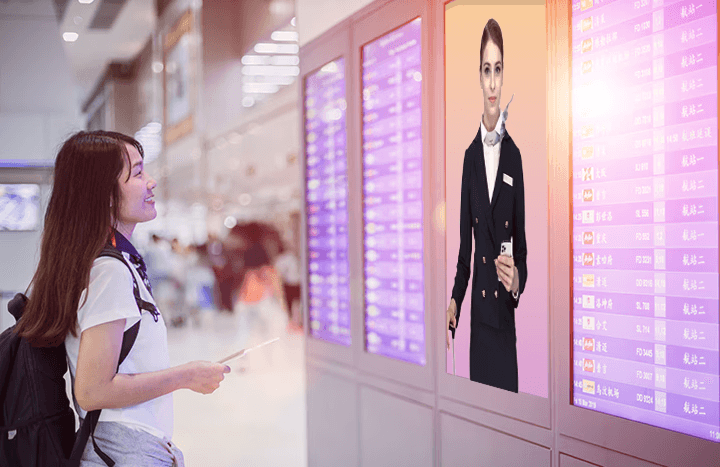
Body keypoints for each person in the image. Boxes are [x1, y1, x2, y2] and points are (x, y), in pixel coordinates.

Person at [14, 131, 230, 466]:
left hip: (120, 445)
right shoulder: (108, 272)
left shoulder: (100, 264)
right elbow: (93, 390)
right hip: (123, 449)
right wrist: (186, 376)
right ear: (106, 195)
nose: (151, 182)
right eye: (139, 173)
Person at [445, 19, 528, 393]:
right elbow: (466, 251)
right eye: (485, 70)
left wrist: (516, 282)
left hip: (504, 318)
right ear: (478, 77)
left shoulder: (515, 157)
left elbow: (522, 248)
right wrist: (454, 302)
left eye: (498, 70)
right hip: (479, 319)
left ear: (503, 74)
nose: (492, 82)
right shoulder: (468, 159)